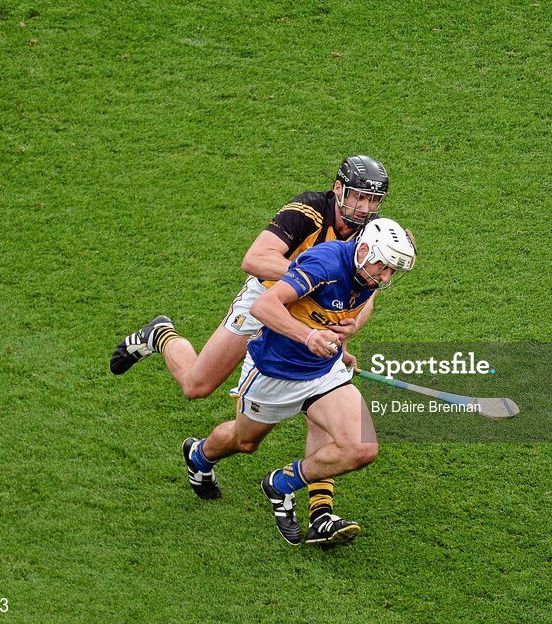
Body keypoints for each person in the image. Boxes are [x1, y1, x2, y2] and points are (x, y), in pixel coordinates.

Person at [109, 155, 390, 538]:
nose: (365, 208)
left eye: (373, 201)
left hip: (316, 311)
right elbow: (255, 259)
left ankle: (321, 511)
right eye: (358, 197)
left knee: (321, 390)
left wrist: (350, 326)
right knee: (197, 385)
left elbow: (369, 288)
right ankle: (161, 336)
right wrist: (312, 276)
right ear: (338, 189)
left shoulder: (371, 233)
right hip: (269, 298)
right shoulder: (308, 211)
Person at [182, 218, 416, 545]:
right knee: (244, 442)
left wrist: (341, 346)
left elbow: (339, 312)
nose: (386, 277)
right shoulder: (325, 262)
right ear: (364, 249)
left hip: (323, 372)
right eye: (385, 266)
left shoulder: (368, 278)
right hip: (274, 373)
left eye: (393, 271)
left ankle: (281, 484)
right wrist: (308, 337)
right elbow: (265, 306)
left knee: (362, 448)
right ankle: (199, 455)